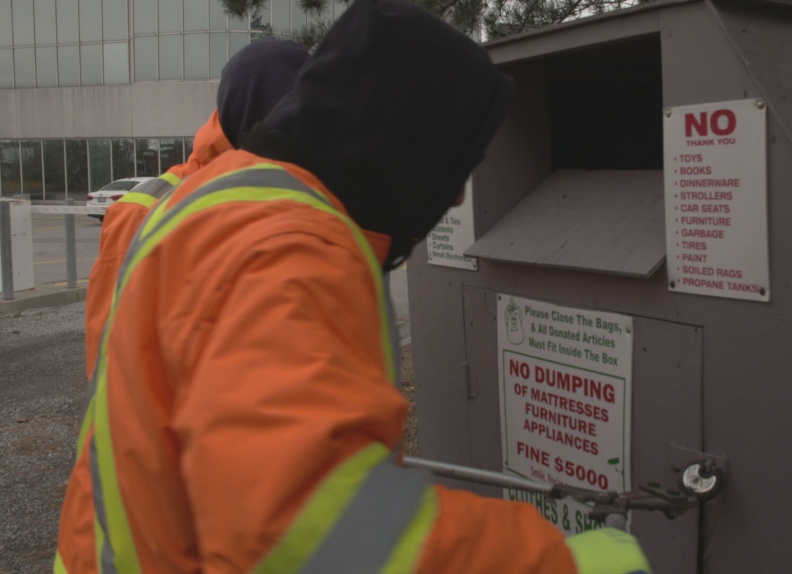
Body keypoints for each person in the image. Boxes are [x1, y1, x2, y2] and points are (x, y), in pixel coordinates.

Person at [56, 0, 652, 572]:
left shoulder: (225, 201)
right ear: (402, 138)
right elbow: (304, 535)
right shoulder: (289, 244)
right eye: (454, 164)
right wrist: (568, 563)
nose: (456, 196)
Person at [83, 38, 309, 376]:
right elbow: (115, 365)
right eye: (289, 111)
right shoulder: (141, 214)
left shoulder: (301, 201)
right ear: (249, 112)